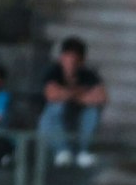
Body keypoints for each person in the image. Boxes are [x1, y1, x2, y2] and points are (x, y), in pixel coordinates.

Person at [39, 36, 106, 167]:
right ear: (62, 58)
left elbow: (101, 97)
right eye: (68, 58)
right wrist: (80, 93)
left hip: (76, 120)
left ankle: (83, 151)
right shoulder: (53, 72)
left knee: (92, 110)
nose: (71, 63)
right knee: (56, 107)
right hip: (52, 125)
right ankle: (61, 150)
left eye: (75, 60)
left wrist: (67, 95)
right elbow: (52, 95)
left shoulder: (88, 75)